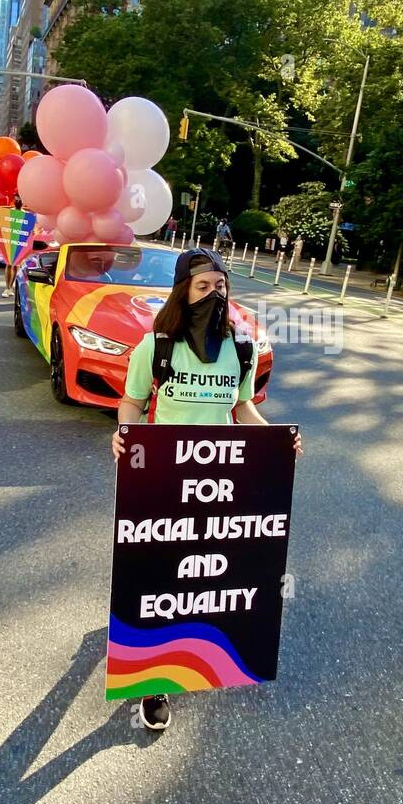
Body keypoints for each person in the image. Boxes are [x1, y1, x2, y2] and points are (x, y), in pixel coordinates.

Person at [111, 246, 302, 732]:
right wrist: (125, 436)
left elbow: (242, 409)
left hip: (221, 484)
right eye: (203, 286)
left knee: (204, 578)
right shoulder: (154, 347)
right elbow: (132, 403)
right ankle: (151, 680)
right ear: (183, 290)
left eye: (220, 286)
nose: (214, 295)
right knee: (157, 579)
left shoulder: (242, 349)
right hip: (163, 480)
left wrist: (277, 440)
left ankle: (208, 647)